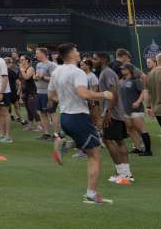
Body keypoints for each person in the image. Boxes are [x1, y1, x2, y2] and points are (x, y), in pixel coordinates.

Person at [49, 43, 115, 204]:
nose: (79, 53)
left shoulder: (56, 71)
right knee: (95, 155)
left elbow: (51, 95)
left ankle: (61, 141)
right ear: (71, 55)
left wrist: (65, 100)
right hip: (78, 117)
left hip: (65, 116)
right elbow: (83, 93)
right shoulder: (78, 72)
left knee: (87, 147)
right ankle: (91, 195)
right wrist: (103, 94)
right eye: (77, 51)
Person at [95, 53, 132, 184]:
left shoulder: (107, 73)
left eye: (96, 58)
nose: (94, 61)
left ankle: (122, 173)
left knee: (108, 140)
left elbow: (113, 93)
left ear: (103, 59)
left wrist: (108, 112)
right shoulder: (105, 72)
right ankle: (126, 173)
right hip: (116, 112)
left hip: (113, 113)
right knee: (118, 141)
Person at [118, 62, 151, 157]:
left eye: (124, 69)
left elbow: (143, 91)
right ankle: (138, 147)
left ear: (129, 70)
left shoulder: (136, 80)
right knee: (130, 129)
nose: (122, 70)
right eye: (121, 69)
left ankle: (148, 150)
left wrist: (138, 101)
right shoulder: (121, 81)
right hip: (125, 109)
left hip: (136, 109)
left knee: (141, 128)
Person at [34, 47, 57, 140]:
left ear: (43, 54)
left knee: (52, 113)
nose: (36, 55)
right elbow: (37, 77)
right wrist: (35, 77)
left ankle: (57, 135)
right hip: (39, 91)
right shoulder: (38, 64)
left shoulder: (51, 65)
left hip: (48, 92)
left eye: (37, 53)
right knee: (42, 113)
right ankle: (46, 134)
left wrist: (43, 77)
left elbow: (55, 79)